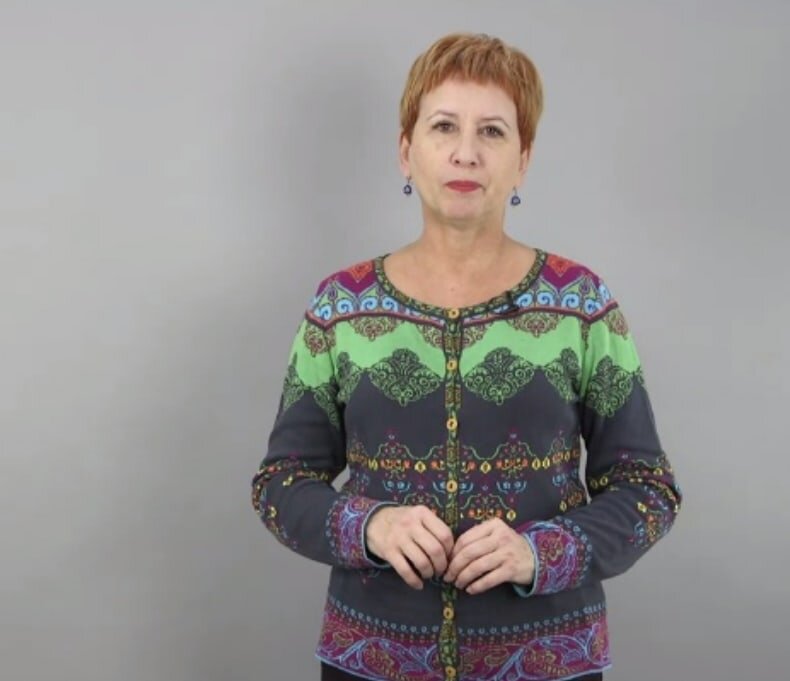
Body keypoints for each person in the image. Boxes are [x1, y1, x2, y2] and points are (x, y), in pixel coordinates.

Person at [251, 32, 682, 681]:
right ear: (406, 150)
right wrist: (370, 527)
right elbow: (280, 483)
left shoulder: (582, 305)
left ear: (523, 160)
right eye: (444, 126)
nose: (466, 152)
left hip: (547, 662)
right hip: (372, 662)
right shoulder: (341, 307)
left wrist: (542, 552)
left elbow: (648, 489)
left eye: (493, 132)